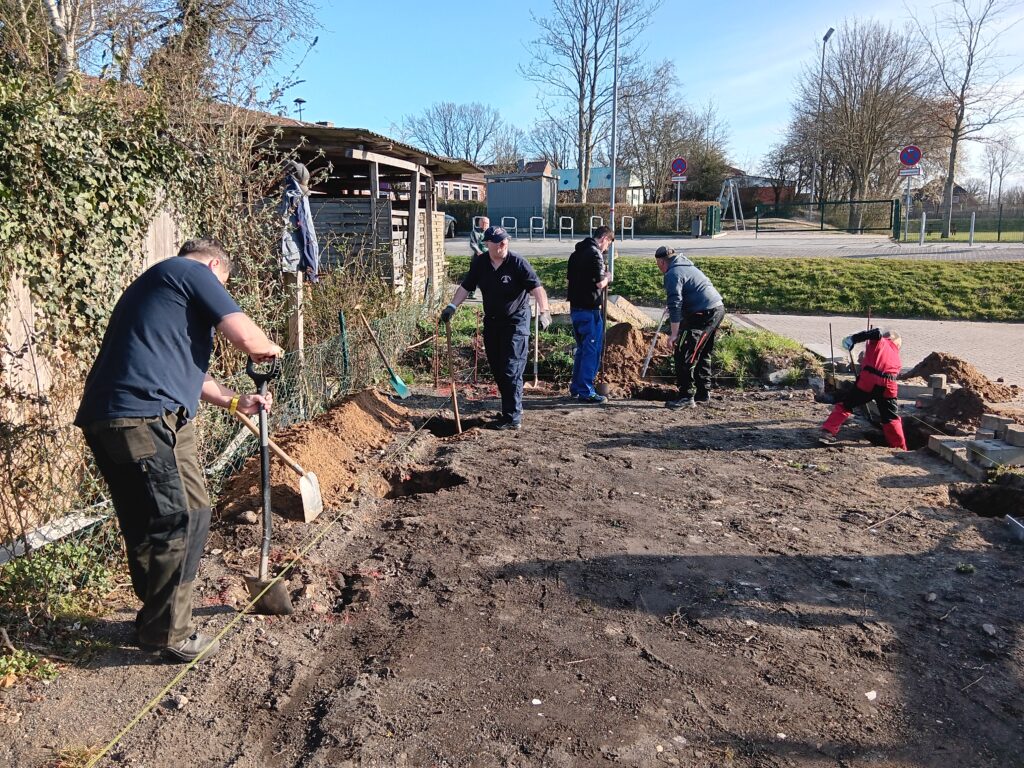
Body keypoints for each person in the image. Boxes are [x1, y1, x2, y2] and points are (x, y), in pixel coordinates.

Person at [75, 239, 283, 663]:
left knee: (146, 520)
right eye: (222, 283)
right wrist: (270, 350)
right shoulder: (192, 273)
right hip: (146, 417)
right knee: (182, 517)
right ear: (214, 267)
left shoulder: (158, 291)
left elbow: (191, 376)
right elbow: (249, 338)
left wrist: (235, 400)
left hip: (109, 417)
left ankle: (154, 619)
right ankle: (169, 633)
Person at [440, 225, 551, 431]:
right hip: (492, 322)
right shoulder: (481, 263)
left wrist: (544, 311)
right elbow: (467, 286)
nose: (503, 244)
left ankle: (512, 418)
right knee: (498, 369)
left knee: (511, 369)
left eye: (505, 240)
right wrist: (452, 306)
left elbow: (537, 287)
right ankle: (510, 409)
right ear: (488, 244)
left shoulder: (517, 263)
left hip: (516, 323)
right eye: (498, 241)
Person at [655, 246, 725, 408]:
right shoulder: (687, 266)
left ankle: (686, 396)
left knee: (684, 352)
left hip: (703, 314)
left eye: (658, 264)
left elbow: (675, 303)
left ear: (661, 262)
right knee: (702, 350)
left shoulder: (672, 274)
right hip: (717, 308)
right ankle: (703, 392)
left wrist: (674, 334)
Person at [819, 328, 907, 449]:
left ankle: (827, 432)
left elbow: (876, 334)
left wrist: (853, 339)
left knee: (846, 404)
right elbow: (877, 333)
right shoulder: (892, 350)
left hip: (869, 381)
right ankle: (900, 447)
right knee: (891, 418)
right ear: (895, 341)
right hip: (889, 385)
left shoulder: (881, 342)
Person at [567, 225, 614, 403]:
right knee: (591, 350)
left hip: (575, 308)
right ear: (604, 238)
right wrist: (608, 277)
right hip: (590, 309)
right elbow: (599, 284)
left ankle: (576, 387)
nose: (606, 249)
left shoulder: (575, 254)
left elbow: (569, 279)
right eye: (607, 244)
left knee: (582, 349)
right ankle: (587, 390)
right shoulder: (595, 255)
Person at [466, 216, 490, 300]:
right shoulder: (475, 232)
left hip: (489, 256)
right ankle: (471, 293)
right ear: (479, 223)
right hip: (478, 256)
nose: (485, 225)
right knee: (474, 275)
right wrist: (479, 252)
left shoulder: (490, 232)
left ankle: (489, 293)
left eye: (486, 223)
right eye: (483, 223)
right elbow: (473, 244)